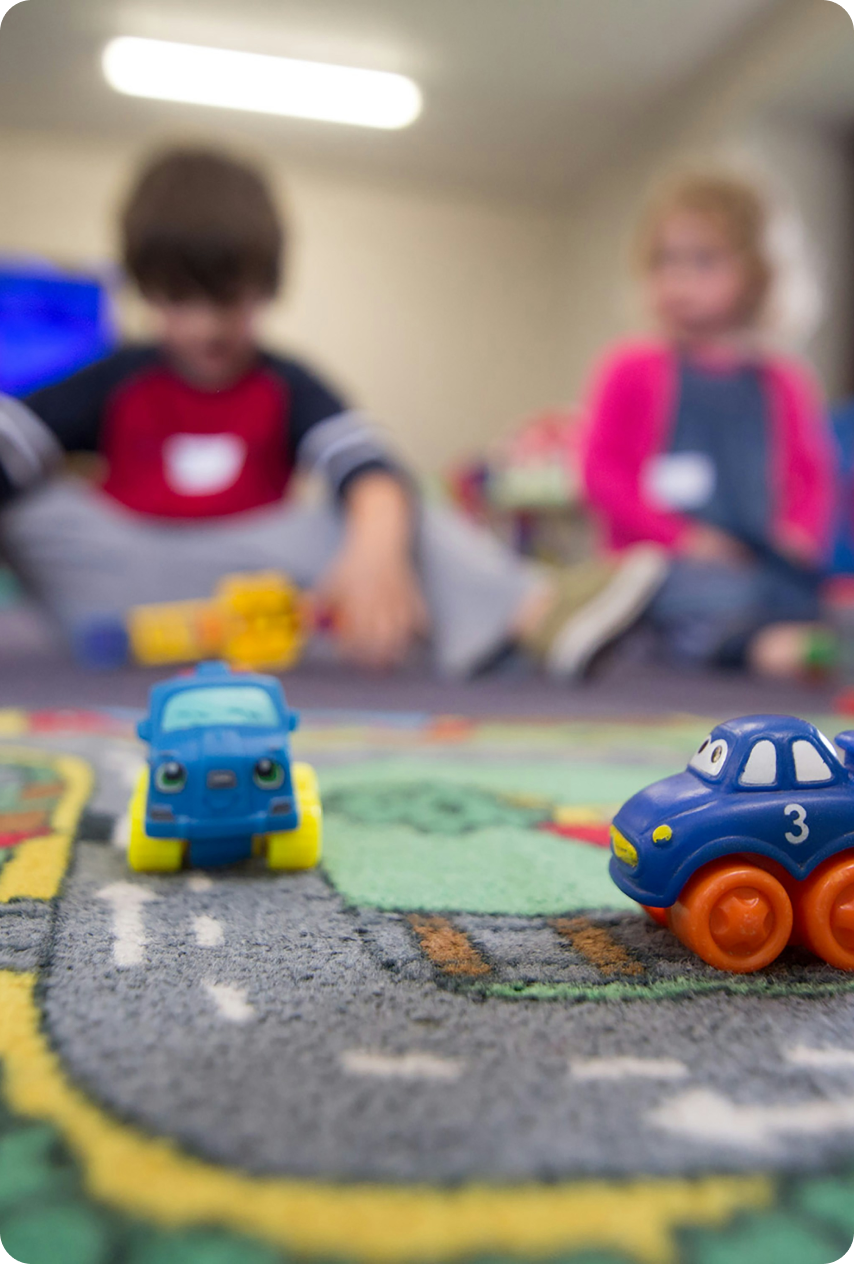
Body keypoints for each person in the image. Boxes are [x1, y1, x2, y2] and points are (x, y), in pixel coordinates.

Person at [0, 147, 664, 678]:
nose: (204, 326)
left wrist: (377, 544)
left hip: (248, 582)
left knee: (390, 506)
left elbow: (367, 464)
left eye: (226, 300)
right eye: (179, 300)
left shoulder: (286, 383)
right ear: (147, 290)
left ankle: (537, 618)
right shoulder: (119, 374)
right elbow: (15, 439)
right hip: (116, 579)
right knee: (31, 503)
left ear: (265, 288)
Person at [582, 171, 836, 678]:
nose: (678, 279)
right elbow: (602, 475)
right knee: (676, 591)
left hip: (753, 559)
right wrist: (685, 541)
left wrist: (799, 533)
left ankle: (757, 638)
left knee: (799, 591)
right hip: (662, 562)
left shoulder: (782, 382)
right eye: (665, 261)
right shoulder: (632, 369)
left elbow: (812, 476)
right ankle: (750, 646)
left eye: (703, 261)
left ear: (756, 274)